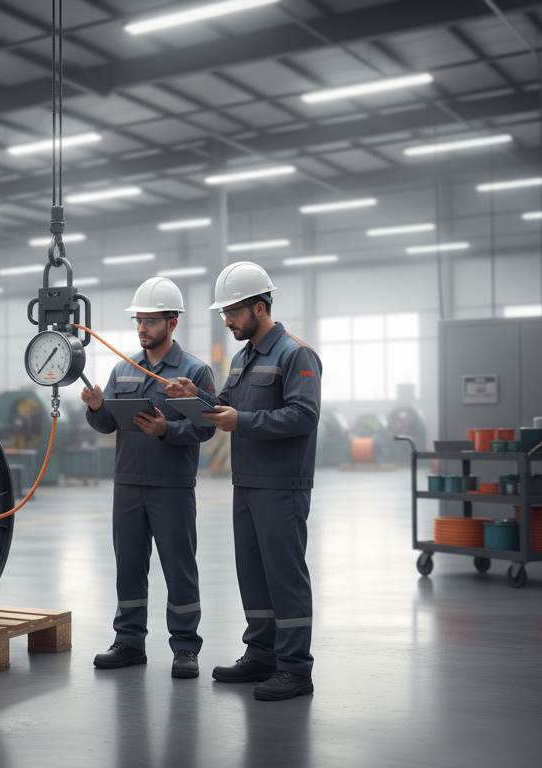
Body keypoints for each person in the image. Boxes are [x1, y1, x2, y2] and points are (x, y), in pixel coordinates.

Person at [164, 261, 322, 701]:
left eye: (232, 312)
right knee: (252, 574)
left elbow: (304, 415)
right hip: (247, 483)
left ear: (259, 307)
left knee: (285, 576)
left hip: (282, 486)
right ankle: (262, 653)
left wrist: (243, 421)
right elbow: (224, 406)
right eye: (224, 313)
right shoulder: (242, 358)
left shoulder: (295, 354)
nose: (227, 321)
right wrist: (195, 397)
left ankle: (295, 668)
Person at [82, 277, 217, 679]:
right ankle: (128, 641)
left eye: (151, 321)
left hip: (171, 486)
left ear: (172, 323)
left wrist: (166, 430)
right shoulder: (123, 369)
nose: (142, 328)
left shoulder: (194, 371)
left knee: (179, 567)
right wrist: (97, 407)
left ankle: (185, 647)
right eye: (139, 320)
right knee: (128, 565)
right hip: (127, 485)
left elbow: (207, 426)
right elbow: (107, 424)